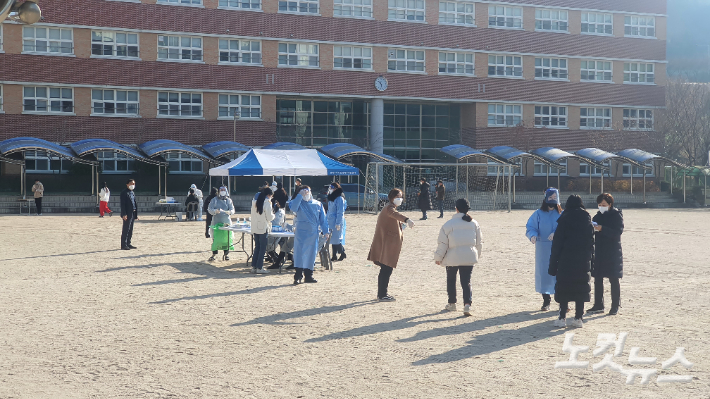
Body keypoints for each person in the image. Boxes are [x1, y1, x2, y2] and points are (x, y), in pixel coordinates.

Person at [548, 195, 594, 328]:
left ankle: (562, 318)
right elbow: (592, 243)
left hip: (565, 260)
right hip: (583, 260)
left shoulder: (563, 220)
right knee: (580, 288)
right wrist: (592, 261)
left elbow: (557, 245)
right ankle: (578, 318)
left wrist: (552, 266)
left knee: (564, 289)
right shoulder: (587, 220)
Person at [434, 198, 483, 316]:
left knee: (451, 280)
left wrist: (438, 257)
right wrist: (476, 255)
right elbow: (479, 243)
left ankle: (452, 303)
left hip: (452, 257)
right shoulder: (474, 223)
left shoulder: (448, 224)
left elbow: (443, 244)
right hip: (469, 255)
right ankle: (467, 304)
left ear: (456, 209)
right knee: (466, 281)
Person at [368, 188, 415, 302]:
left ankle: (382, 293)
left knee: (386, 269)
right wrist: (406, 219)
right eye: (397, 197)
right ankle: (382, 294)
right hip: (386, 245)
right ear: (392, 197)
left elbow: (393, 219)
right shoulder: (389, 207)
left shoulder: (389, 207)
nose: (400, 199)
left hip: (387, 244)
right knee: (386, 269)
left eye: (401, 197)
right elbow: (394, 214)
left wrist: (401, 226)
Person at [588, 193, 625, 316]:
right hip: (599, 250)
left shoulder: (616, 215)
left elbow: (617, 232)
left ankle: (615, 306)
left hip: (613, 251)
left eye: (603, 205)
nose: (601, 207)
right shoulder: (597, 216)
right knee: (597, 278)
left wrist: (602, 228)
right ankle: (598, 304)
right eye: (599, 205)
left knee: (613, 279)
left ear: (610, 204)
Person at [525, 188, 562, 311]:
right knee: (544, 273)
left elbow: (565, 227)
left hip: (558, 247)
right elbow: (531, 226)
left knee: (559, 274)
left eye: (554, 198)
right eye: (550, 198)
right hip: (542, 248)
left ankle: (562, 301)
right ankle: (546, 300)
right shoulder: (538, 213)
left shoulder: (561, 213)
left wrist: (556, 234)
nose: (552, 200)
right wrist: (533, 235)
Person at [288, 185, 329, 284]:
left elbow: (323, 220)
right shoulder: (298, 203)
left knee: (311, 254)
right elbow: (293, 208)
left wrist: (326, 231)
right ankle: (298, 276)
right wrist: (299, 196)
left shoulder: (318, 204)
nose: (306, 193)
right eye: (303, 192)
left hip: (313, 233)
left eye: (307, 191)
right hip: (301, 232)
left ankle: (309, 275)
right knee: (299, 254)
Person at [208, 186, 235, 261]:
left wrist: (230, 212)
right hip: (216, 221)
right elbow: (209, 209)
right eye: (221, 190)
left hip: (226, 221)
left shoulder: (228, 200)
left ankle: (226, 254)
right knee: (216, 238)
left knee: (226, 239)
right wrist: (215, 211)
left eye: (224, 190)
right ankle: (214, 254)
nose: (222, 191)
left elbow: (232, 209)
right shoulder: (214, 200)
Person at [251, 188, 275, 274]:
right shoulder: (267, 203)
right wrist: (274, 215)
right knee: (262, 248)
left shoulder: (254, 202)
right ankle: (259, 267)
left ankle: (254, 266)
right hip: (263, 227)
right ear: (269, 195)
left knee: (257, 247)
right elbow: (269, 217)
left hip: (255, 227)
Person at [266, 200, 295, 270]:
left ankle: (278, 261)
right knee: (285, 247)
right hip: (282, 232)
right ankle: (278, 261)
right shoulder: (282, 212)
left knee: (285, 247)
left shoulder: (272, 212)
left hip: (299, 234)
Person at [327, 182, 348, 262]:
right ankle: (334, 255)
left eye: (332, 187)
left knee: (336, 239)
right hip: (330, 220)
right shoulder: (331, 197)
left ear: (336, 189)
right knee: (332, 239)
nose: (330, 189)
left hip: (336, 221)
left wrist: (338, 223)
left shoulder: (339, 198)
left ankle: (342, 253)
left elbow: (340, 212)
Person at [119, 179, 138, 250]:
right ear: (127, 184)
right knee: (126, 229)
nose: (132, 185)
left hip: (132, 212)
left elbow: (134, 203)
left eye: (133, 184)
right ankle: (123, 244)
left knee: (130, 229)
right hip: (127, 213)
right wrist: (124, 214)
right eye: (131, 184)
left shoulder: (132, 192)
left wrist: (136, 214)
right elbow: (123, 204)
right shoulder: (124, 193)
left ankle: (128, 243)